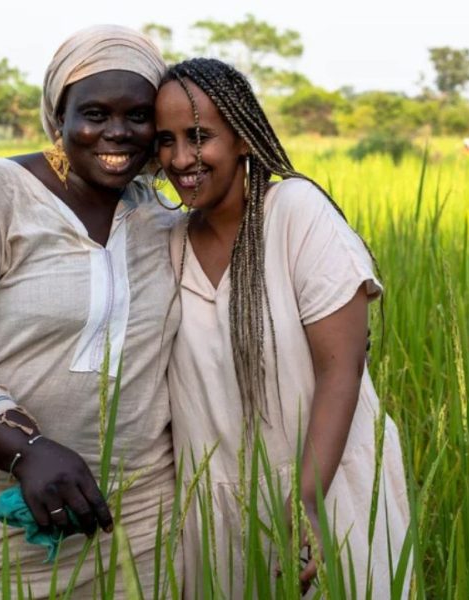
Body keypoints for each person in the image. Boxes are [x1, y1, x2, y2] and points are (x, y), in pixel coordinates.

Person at [0, 25, 181, 598]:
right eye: (93, 112)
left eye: (139, 116)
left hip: (139, 520)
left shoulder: (163, 218)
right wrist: (28, 451)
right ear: (58, 118)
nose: (116, 133)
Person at [154, 58, 410, 598]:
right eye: (165, 140)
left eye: (199, 136)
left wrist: (307, 503)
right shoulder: (166, 242)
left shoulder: (295, 212)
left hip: (324, 494)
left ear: (244, 139)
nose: (180, 159)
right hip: (217, 514)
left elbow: (342, 366)